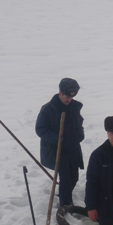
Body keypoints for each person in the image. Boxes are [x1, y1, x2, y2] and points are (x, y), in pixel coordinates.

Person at [36, 78, 84, 207]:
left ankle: (64, 195)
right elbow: (40, 129)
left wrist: (80, 134)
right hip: (58, 149)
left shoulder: (74, 107)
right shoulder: (48, 109)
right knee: (66, 180)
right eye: (66, 96)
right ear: (60, 93)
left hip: (73, 147)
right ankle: (66, 204)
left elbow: (79, 122)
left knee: (74, 178)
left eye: (71, 97)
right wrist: (57, 139)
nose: (69, 100)